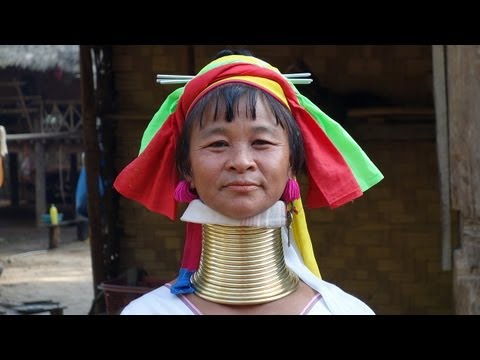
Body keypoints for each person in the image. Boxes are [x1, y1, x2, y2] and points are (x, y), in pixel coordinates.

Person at [113, 49, 384, 315]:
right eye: (218, 144)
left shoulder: (344, 311)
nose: (241, 161)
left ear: (292, 164)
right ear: (187, 169)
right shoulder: (147, 312)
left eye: (261, 142)